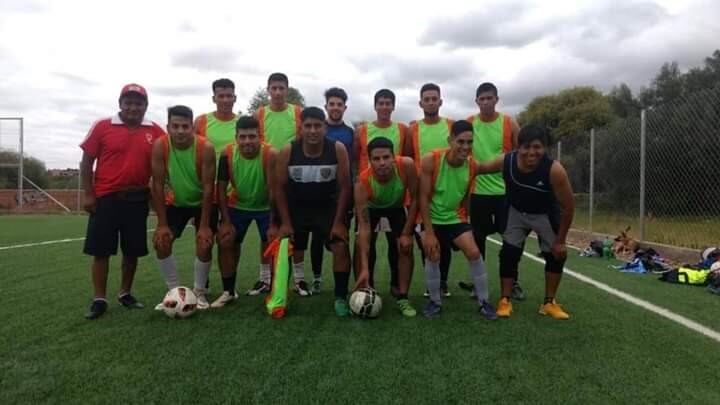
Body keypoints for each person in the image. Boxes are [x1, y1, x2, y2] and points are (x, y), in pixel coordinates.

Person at [80, 83, 166, 320]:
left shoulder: (156, 131)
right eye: (128, 102)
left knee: (132, 252)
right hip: (106, 199)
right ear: (120, 104)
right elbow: (86, 163)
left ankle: (125, 293)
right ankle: (99, 299)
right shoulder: (102, 126)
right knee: (101, 251)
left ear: (145, 106)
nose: (133, 107)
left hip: (137, 199)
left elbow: (168, 160)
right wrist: (89, 194)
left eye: (138, 103)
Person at [473, 125, 574, 319]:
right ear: (518, 147)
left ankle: (549, 302)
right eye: (526, 147)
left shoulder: (555, 170)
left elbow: (569, 208)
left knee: (556, 255)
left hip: (544, 214)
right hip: (516, 212)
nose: (531, 152)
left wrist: (561, 240)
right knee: (509, 253)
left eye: (537, 147)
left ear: (545, 148)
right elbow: (479, 168)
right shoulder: (507, 161)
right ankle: (505, 300)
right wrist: (451, 165)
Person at [275, 107, 353, 316]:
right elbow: (279, 189)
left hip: (326, 208)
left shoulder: (337, 149)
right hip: (297, 208)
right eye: (308, 126)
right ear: (300, 128)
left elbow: (345, 187)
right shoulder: (288, 151)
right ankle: (279, 298)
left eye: (317, 126)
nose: (312, 130)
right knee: (283, 246)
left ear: (324, 128)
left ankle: (340, 297)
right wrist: (284, 222)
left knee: (340, 246)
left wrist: (338, 222)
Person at [419, 120, 497, 320]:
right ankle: (435, 302)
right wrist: (428, 233)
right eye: (460, 142)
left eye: (469, 142)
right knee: (433, 254)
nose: (465, 147)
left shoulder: (472, 165)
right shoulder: (431, 159)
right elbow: (423, 197)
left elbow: (492, 166)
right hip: (432, 218)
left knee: (474, 252)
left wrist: (515, 157)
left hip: (454, 218)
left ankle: (484, 302)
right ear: (450, 140)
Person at [249, 72, 310, 296]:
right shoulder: (260, 113)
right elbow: (254, 141)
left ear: (287, 89)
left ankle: (300, 279)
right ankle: (265, 279)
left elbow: (303, 140)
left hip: (292, 177)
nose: (277, 92)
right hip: (267, 176)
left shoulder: (297, 112)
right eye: (273, 88)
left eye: (281, 88)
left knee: (295, 228)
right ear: (268, 90)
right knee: (268, 228)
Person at [150, 105, 216, 310]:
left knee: (204, 242)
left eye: (185, 126)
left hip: (203, 202)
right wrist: (161, 223)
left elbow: (208, 188)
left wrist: (204, 225)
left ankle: (199, 293)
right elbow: (157, 185)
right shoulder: (161, 145)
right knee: (161, 241)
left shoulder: (205, 147)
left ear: (192, 127)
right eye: (175, 126)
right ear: (168, 127)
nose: (180, 131)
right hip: (177, 203)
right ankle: (173, 292)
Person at [465, 82, 524, 300]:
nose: (486, 102)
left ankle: (513, 281)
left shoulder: (509, 123)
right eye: (482, 99)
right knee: (477, 240)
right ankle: (477, 283)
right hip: (478, 192)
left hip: (505, 193)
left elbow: (522, 152)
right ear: (477, 101)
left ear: (496, 99)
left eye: (490, 98)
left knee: (511, 240)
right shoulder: (470, 123)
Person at [212, 116, 277, 307]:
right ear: (236, 137)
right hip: (238, 205)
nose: (247, 141)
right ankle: (228, 291)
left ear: (260, 136)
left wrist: (274, 223)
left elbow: (275, 190)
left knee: (276, 243)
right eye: (243, 137)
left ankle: (275, 292)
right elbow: (221, 188)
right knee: (225, 240)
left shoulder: (271, 154)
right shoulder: (227, 154)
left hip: (265, 206)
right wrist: (225, 220)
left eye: (252, 137)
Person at [355, 137, 418, 317]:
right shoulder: (362, 183)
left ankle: (403, 297)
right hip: (372, 210)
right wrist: (365, 267)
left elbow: (415, 200)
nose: (382, 163)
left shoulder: (406, 165)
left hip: (396, 208)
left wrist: (407, 233)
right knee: (361, 243)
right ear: (370, 160)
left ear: (393, 157)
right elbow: (365, 227)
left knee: (405, 247)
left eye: (385, 157)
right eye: (376, 159)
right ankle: (366, 287)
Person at [356, 89, 409, 296]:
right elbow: (356, 157)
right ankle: (365, 284)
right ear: (375, 106)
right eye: (381, 103)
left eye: (388, 103)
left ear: (393, 106)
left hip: (395, 197)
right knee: (363, 240)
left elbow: (408, 158)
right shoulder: (362, 130)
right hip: (369, 194)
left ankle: (397, 286)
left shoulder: (403, 129)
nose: (385, 107)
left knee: (396, 244)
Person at [306, 87, 357, 294]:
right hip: (319, 191)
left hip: (342, 194)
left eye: (339, 104)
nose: (335, 108)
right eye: (332, 104)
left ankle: (343, 284)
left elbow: (353, 162)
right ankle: (317, 278)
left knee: (341, 238)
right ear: (326, 106)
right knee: (317, 237)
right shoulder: (317, 129)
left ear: (345, 107)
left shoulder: (350, 133)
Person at [404, 83, 453, 297]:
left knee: (445, 240)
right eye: (427, 99)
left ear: (440, 101)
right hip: (421, 194)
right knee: (425, 239)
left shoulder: (451, 125)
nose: (431, 102)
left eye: (434, 98)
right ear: (421, 103)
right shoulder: (412, 129)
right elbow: (408, 158)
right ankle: (430, 283)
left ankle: (442, 283)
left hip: (446, 193)